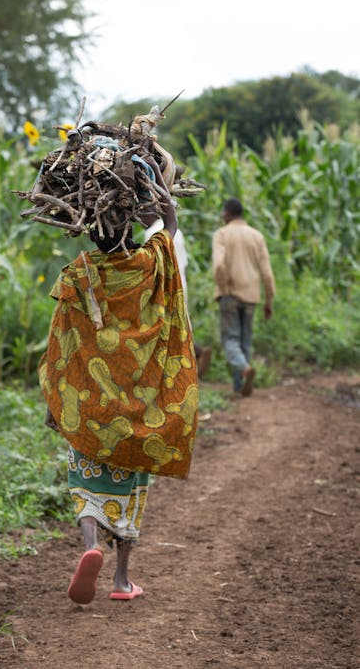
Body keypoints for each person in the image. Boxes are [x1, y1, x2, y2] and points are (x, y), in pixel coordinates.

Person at [39, 168, 199, 605]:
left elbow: (61, 339)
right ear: (129, 227)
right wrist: (164, 203)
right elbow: (169, 230)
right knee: (130, 487)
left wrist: (56, 400)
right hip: (141, 401)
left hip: (89, 402)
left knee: (86, 482)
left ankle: (90, 543)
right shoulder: (149, 263)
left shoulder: (79, 272)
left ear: (90, 234)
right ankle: (121, 580)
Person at [212, 197, 276, 397]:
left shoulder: (222, 234)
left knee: (231, 340)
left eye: (223, 212)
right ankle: (240, 386)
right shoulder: (256, 236)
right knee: (245, 341)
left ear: (228, 213)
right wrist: (269, 301)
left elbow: (219, 265)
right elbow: (267, 273)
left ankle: (243, 369)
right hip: (251, 295)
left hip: (230, 294)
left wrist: (224, 288)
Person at [144, 218, 212, 378]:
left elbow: (151, 266)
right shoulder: (176, 232)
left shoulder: (152, 233)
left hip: (165, 287)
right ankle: (194, 355)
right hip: (181, 285)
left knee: (166, 328)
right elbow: (184, 263)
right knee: (179, 326)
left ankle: (189, 360)